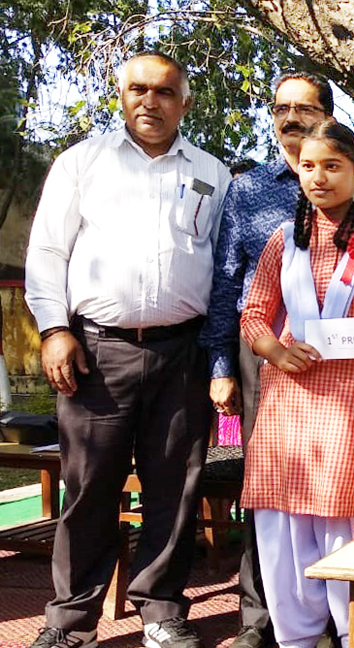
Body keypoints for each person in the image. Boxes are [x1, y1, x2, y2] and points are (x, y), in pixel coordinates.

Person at [24, 52, 231, 648]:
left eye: (165, 92)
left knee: (176, 486)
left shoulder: (212, 174)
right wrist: (54, 329)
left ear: (185, 102)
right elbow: (46, 253)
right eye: (138, 89)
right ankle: (70, 622)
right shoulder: (82, 164)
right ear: (121, 96)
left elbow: (220, 269)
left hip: (181, 354)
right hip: (96, 352)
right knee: (88, 487)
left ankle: (162, 613)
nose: (150, 101)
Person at [198, 70, 354, 648]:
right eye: (280, 108)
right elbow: (229, 281)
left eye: (304, 108)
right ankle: (265, 620)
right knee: (274, 495)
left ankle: (349, 621)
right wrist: (224, 366)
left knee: (343, 496)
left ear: (328, 114)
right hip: (271, 362)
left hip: (353, 373)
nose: (290, 118)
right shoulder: (249, 189)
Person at [239, 120, 354, 648]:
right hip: (287, 403)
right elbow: (252, 315)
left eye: (332, 166)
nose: (318, 177)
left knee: (345, 517)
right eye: (308, 166)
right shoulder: (281, 241)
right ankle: (295, 636)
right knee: (283, 517)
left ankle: (351, 633)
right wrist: (274, 348)